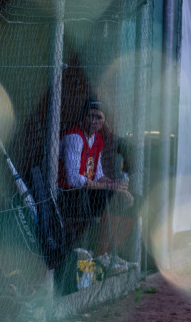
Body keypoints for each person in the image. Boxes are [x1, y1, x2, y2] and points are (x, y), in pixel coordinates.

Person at [58, 98, 135, 273]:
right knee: (113, 198)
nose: (94, 121)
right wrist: (110, 189)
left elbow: (97, 173)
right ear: (83, 117)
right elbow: (73, 179)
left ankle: (110, 254)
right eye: (90, 116)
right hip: (69, 195)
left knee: (133, 201)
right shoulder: (75, 138)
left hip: (87, 191)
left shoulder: (97, 138)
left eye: (99, 117)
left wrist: (117, 186)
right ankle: (101, 256)